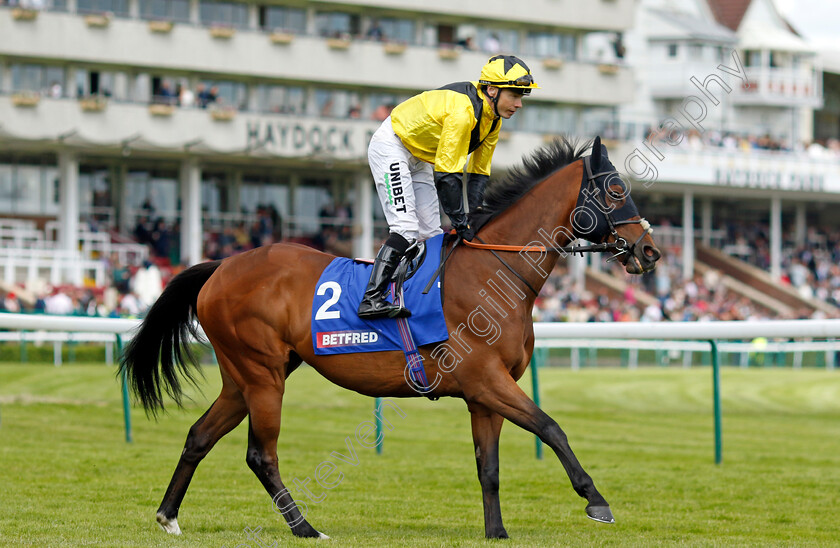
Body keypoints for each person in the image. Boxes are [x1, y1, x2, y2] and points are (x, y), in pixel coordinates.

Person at [357, 55, 539, 319]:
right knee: (406, 229)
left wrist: (473, 215)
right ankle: (371, 299)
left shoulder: (493, 121)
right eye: (514, 95)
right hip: (392, 145)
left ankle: (415, 296)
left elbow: (478, 173)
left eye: (522, 96)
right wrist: (461, 222)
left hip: (420, 157)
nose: (519, 104)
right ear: (492, 89)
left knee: (431, 236)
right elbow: (447, 175)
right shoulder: (464, 113)